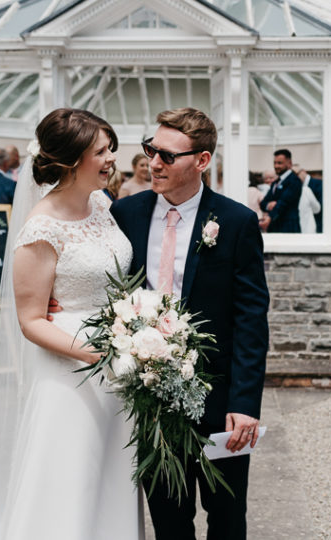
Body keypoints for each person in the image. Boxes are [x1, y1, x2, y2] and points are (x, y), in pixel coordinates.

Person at [0, 109, 141, 539]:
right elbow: (31, 320)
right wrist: (96, 353)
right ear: (70, 161)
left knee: (110, 476)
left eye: (111, 149)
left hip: (120, 361)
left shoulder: (102, 205)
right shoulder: (41, 228)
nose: (111, 160)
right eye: (101, 152)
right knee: (68, 477)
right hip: (71, 368)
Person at [110, 108, 270, 540]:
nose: (153, 163)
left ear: (201, 161)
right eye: (150, 150)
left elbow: (251, 318)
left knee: (227, 517)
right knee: (169, 522)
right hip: (150, 403)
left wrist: (245, 404)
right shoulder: (125, 214)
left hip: (219, 401)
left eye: (167, 155)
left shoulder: (235, 222)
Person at [259, 149, 302, 233]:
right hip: (274, 228)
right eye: (274, 163)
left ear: (289, 164)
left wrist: (269, 217)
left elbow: (283, 202)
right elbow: (263, 203)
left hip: (288, 228)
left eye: (280, 163)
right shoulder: (275, 182)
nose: (276, 166)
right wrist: (268, 205)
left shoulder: (294, 181)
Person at [295, 167, 322, 234]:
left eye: (297, 174)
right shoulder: (300, 189)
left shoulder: (317, 184)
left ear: (303, 171)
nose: (296, 177)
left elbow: (318, 208)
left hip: (315, 226)